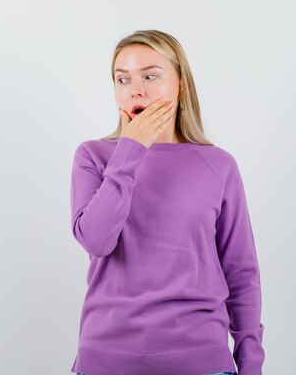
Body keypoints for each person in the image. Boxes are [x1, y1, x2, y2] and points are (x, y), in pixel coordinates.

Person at [69, 30, 265, 375]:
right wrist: (130, 150)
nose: (136, 89)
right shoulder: (94, 156)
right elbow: (96, 241)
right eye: (122, 79)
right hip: (106, 359)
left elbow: (241, 273)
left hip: (202, 360)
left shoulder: (218, 165)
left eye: (150, 75)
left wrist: (251, 365)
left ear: (181, 86)